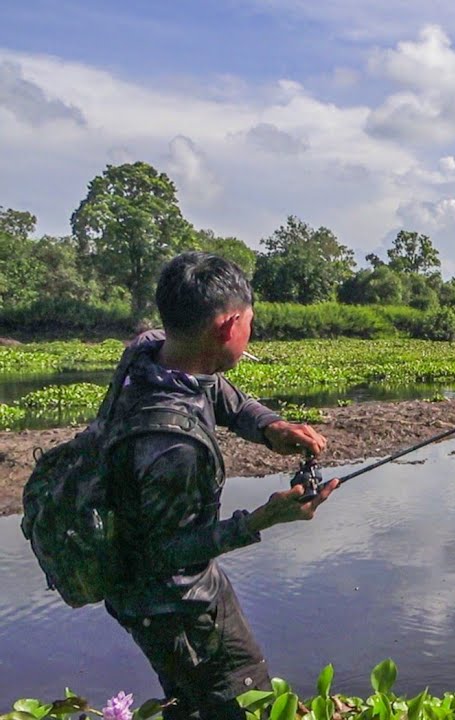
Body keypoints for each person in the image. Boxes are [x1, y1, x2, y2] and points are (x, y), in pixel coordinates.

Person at [102, 251, 338, 720]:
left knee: (190, 703)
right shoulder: (175, 447)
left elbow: (215, 389)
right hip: (173, 604)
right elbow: (165, 553)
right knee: (243, 701)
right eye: (250, 323)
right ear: (230, 326)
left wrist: (270, 427)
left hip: (142, 585)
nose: (250, 334)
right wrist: (262, 519)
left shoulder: (149, 351)